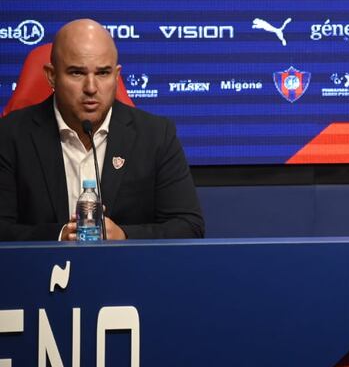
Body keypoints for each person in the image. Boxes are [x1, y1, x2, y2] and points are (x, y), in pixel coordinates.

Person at [0, 19, 204, 241]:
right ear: (52, 75)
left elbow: (188, 226)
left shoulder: (156, 135)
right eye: (77, 73)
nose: (91, 88)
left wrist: (124, 236)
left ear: (116, 76)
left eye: (103, 73)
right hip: (41, 273)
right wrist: (59, 236)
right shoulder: (10, 136)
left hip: (127, 273)